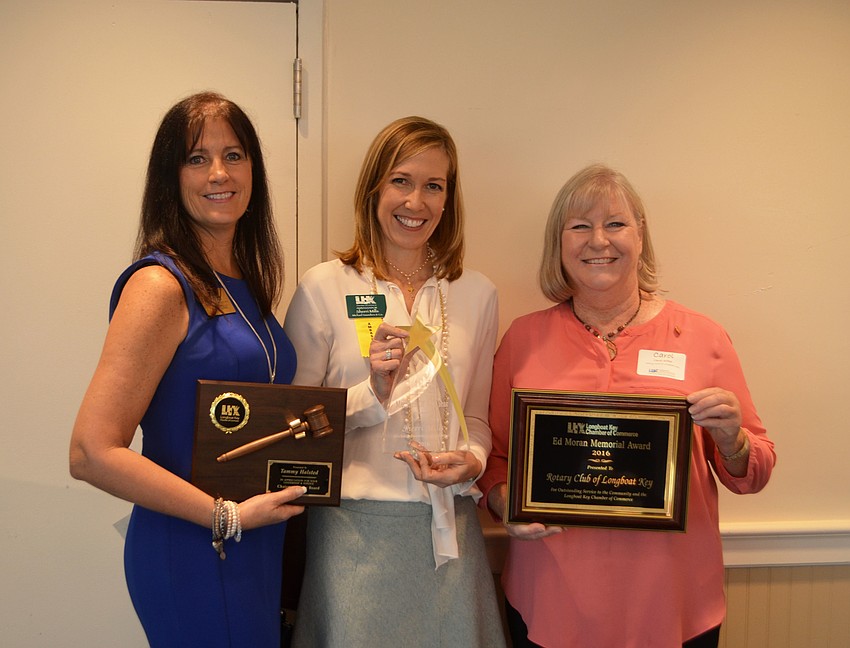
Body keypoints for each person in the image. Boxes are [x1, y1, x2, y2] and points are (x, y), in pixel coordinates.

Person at [478, 164, 776, 648]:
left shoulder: (703, 337)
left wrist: (732, 439)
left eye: (615, 223)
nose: (598, 240)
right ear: (559, 243)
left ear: (640, 234)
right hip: (551, 598)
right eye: (580, 226)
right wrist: (501, 499)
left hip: (673, 601)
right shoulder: (523, 338)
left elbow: (754, 471)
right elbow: (493, 456)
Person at [69, 92, 306, 648]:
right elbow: (90, 452)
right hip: (198, 544)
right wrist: (225, 517)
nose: (219, 173)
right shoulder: (159, 285)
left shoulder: (244, 281)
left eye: (234, 155)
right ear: (170, 178)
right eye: (197, 158)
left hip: (255, 542)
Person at [283, 116, 506, 647]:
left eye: (434, 186)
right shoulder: (325, 287)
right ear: (373, 189)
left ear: (449, 199)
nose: (416, 202)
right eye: (401, 181)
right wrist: (372, 396)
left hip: (452, 530)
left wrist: (474, 460)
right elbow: (290, 425)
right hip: (352, 535)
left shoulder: (477, 293)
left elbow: (477, 418)